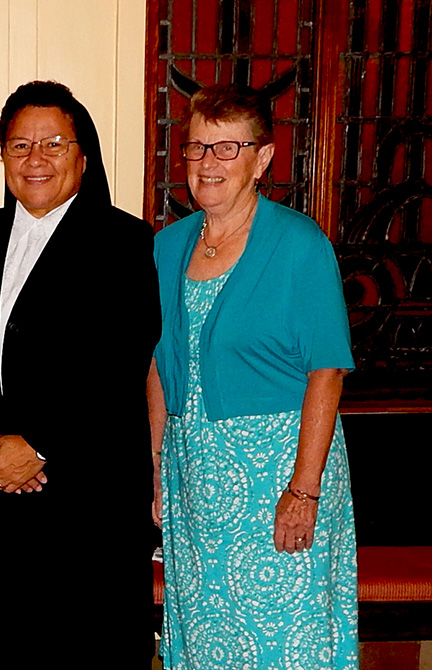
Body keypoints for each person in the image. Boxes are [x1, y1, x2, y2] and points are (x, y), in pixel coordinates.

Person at [0, 80, 161, 668]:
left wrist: (38, 446)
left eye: (53, 144)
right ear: (2, 154)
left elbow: (117, 364)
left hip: (86, 500)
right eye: (19, 144)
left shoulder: (126, 242)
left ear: (83, 157)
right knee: (2, 649)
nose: (35, 159)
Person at [148, 83, 357, 669]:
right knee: (207, 633)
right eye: (196, 149)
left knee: (283, 637)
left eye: (227, 149)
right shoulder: (166, 248)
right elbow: (158, 364)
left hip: (278, 478)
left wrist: (304, 491)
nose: (208, 164)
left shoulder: (298, 245)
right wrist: (158, 465)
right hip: (196, 479)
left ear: (262, 159)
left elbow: (327, 372)